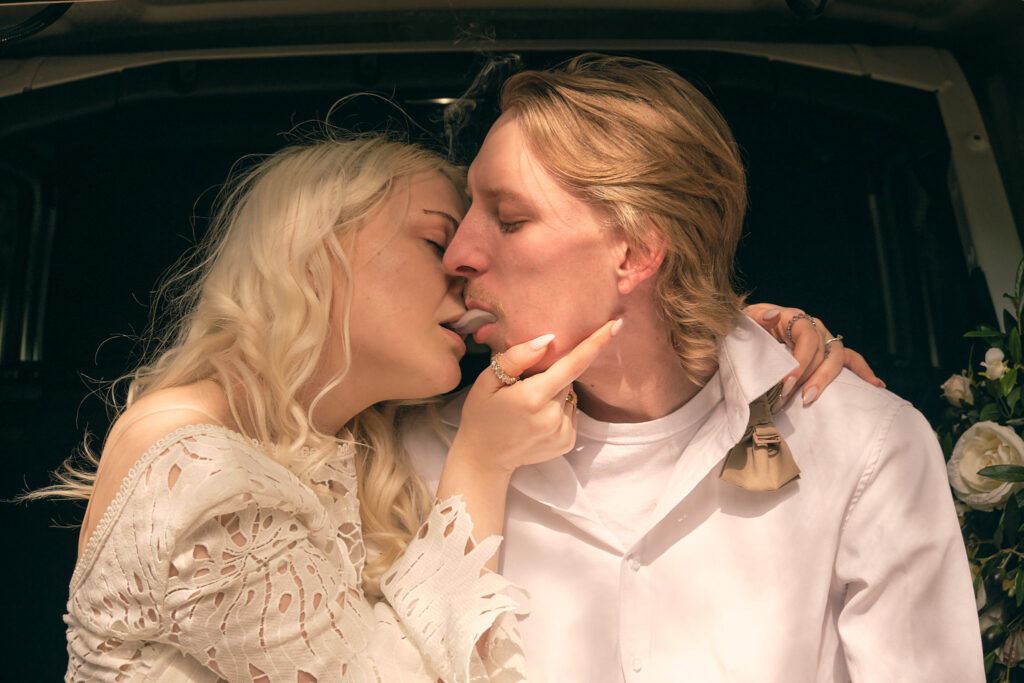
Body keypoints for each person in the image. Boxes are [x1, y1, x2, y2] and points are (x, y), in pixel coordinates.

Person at [405, 54, 984, 681]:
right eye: (466, 213)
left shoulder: (866, 446)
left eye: (510, 220)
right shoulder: (419, 454)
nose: (459, 254)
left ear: (636, 251)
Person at [42, 134, 628, 682]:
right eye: (435, 242)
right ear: (316, 249)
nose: (463, 271)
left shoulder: (355, 452)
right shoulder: (193, 461)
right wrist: (482, 462)